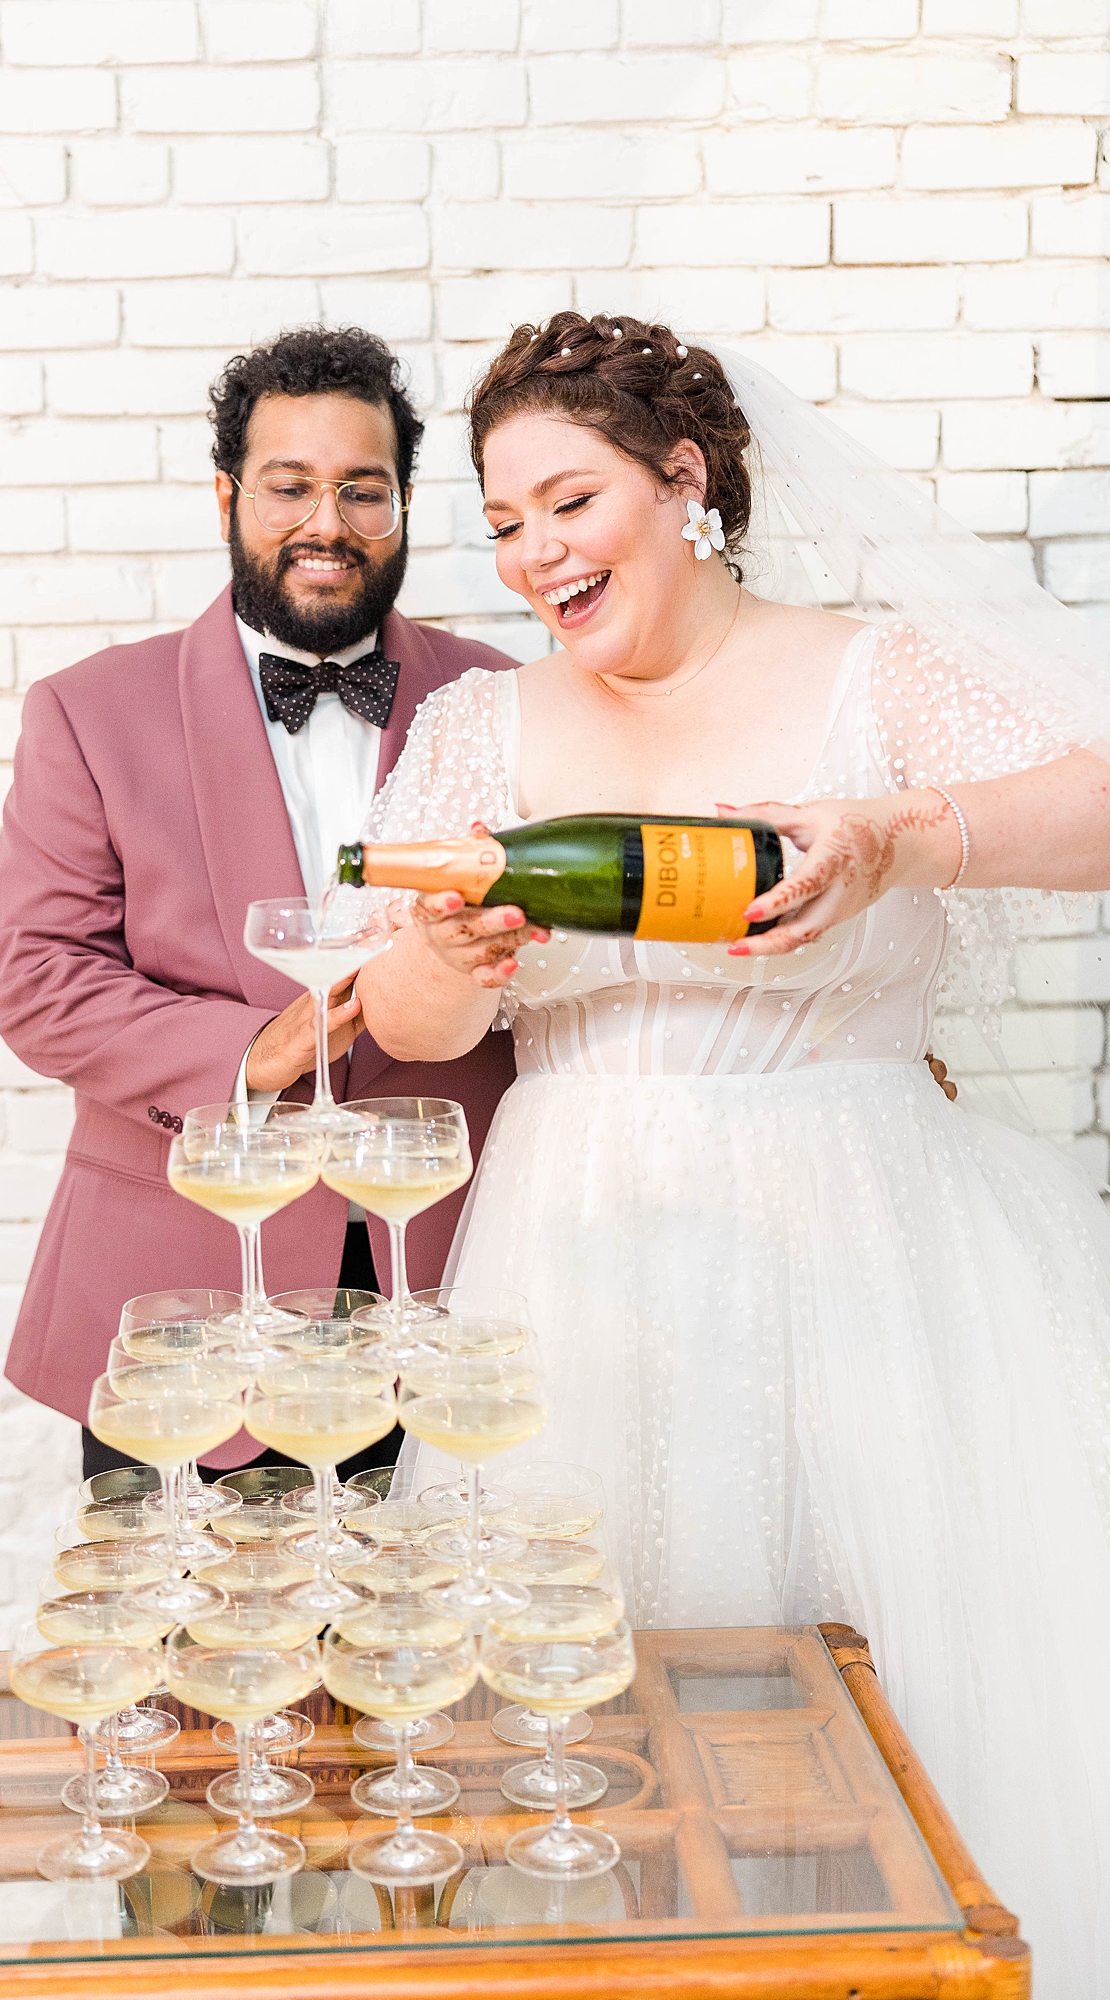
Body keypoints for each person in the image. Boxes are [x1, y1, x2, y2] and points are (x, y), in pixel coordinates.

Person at [354, 311, 1110, 1993]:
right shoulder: (483, 730)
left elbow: (1100, 802)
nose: (534, 554)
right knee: (583, 1722)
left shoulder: (873, 674)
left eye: (569, 503)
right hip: (574, 1257)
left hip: (860, 1240)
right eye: (504, 522)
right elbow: (398, 1016)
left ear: (683, 481)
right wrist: (447, 959)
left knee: (891, 1701)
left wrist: (901, 838)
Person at [0, 325, 516, 1481]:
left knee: (445, 1596)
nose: (328, 520)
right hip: (183, 1291)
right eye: (289, 485)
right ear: (228, 495)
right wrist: (249, 1053)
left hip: (456, 1283)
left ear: (402, 505)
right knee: (178, 1604)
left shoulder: (503, 697)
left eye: (361, 488)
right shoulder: (87, 711)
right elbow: (39, 978)